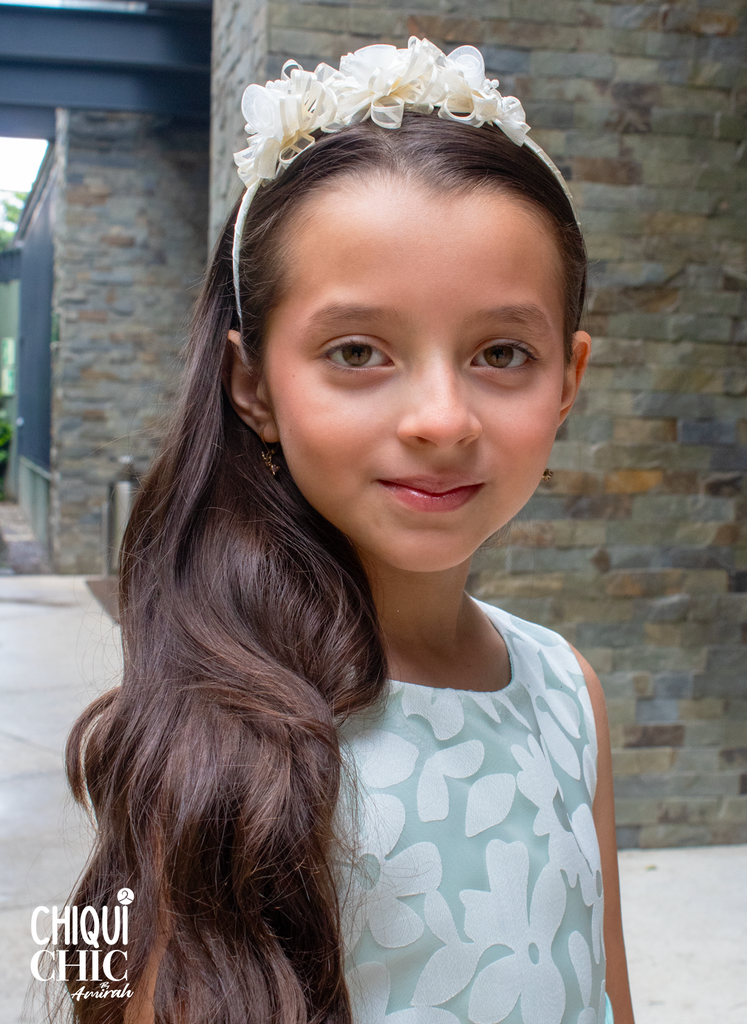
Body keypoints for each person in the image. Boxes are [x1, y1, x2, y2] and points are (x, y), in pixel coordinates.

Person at [62, 38, 635, 1024]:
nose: (441, 418)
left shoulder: (567, 693)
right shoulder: (207, 730)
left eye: (502, 352)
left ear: (570, 376)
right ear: (254, 385)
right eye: (358, 351)